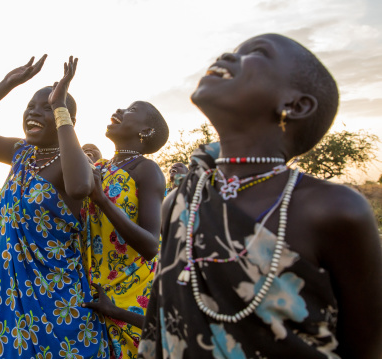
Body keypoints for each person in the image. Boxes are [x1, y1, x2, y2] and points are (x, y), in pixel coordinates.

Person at [138, 34, 382, 359]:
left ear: (295, 105)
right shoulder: (181, 202)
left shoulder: (334, 210)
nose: (228, 53)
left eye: (257, 53)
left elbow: (367, 349)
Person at [0, 55, 108, 358]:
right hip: (5, 296)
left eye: (48, 108)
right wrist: (7, 84)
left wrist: (61, 103)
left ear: (66, 120)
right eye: (31, 107)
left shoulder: (74, 162)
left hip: (57, 299)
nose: (34, 113)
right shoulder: (20, 153)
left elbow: (80, 188)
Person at [80, 100, 168, 358]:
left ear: (146, 131)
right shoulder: (99, 168)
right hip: (93, 287)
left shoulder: (147, 170)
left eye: (130, 110)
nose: (118, 111)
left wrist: (103, 201)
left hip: (130, 295)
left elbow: (152, 245)